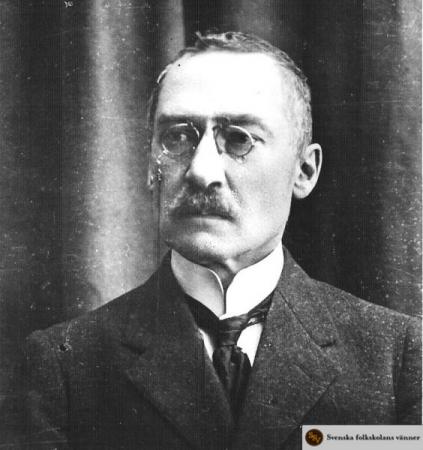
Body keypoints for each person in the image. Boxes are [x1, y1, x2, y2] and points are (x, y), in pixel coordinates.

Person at [1, 31, 421, 450]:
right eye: (177, 137)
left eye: (238, 139)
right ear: (150, 167)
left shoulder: (398, 359)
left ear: (304, 171)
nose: (201, 172)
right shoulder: (63, 367)